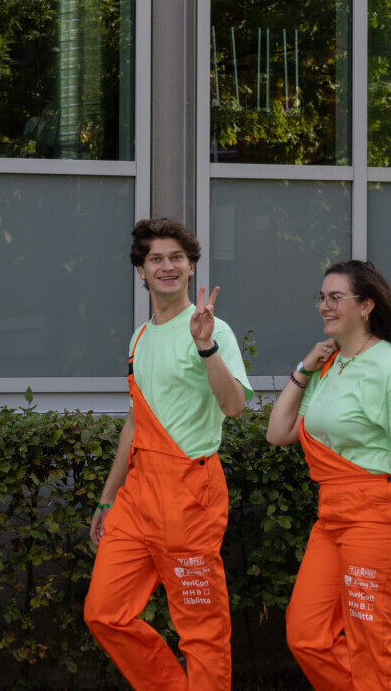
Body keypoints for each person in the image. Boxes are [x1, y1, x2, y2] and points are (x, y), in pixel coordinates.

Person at [266, 259, 391, 691]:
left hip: (381, 518)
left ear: (367, 305)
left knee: (371, 645)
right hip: (332, 516)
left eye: (336, 297)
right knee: (307, 635)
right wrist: (304, 369)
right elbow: (278, 433)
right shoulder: (331, 364)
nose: (325, 306)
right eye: (322, 297)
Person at [84, 218, 252, 691]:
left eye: (177, 257)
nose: (167, 266)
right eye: (155, 258)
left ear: (191, 266)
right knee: (104, 612)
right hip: (137, 495)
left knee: (201, 629)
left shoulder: (213, 331)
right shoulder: (140, 337)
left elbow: (234, 407)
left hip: (189, 496)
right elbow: (136, 421)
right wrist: (107, 498)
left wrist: (205, 346)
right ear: (141, 271)